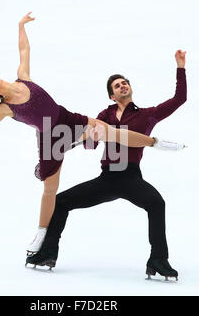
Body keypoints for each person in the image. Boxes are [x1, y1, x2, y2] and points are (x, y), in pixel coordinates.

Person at [0, 13, 159, 255]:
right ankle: (42, 233)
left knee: (109, 131)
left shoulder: (23, 77)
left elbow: (24, 49)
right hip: (49, 139)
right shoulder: (4, 109)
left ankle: (154, 142)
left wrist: (20, 26)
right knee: (50, 188)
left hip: (65, 118)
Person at [26, 50, 188, 281]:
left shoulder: (147, 115)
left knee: (156, 203)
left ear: (130, 88)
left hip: (131, 178)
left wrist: (180, 68)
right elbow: (90, 143)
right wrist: (81, 139)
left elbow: (178, 100)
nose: (122, 86)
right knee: (60, 201)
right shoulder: (105, 115)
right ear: (112, 96)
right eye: (117, 86)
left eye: (125, 83)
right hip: (107, 178)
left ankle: (158, 260)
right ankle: (47, 254)